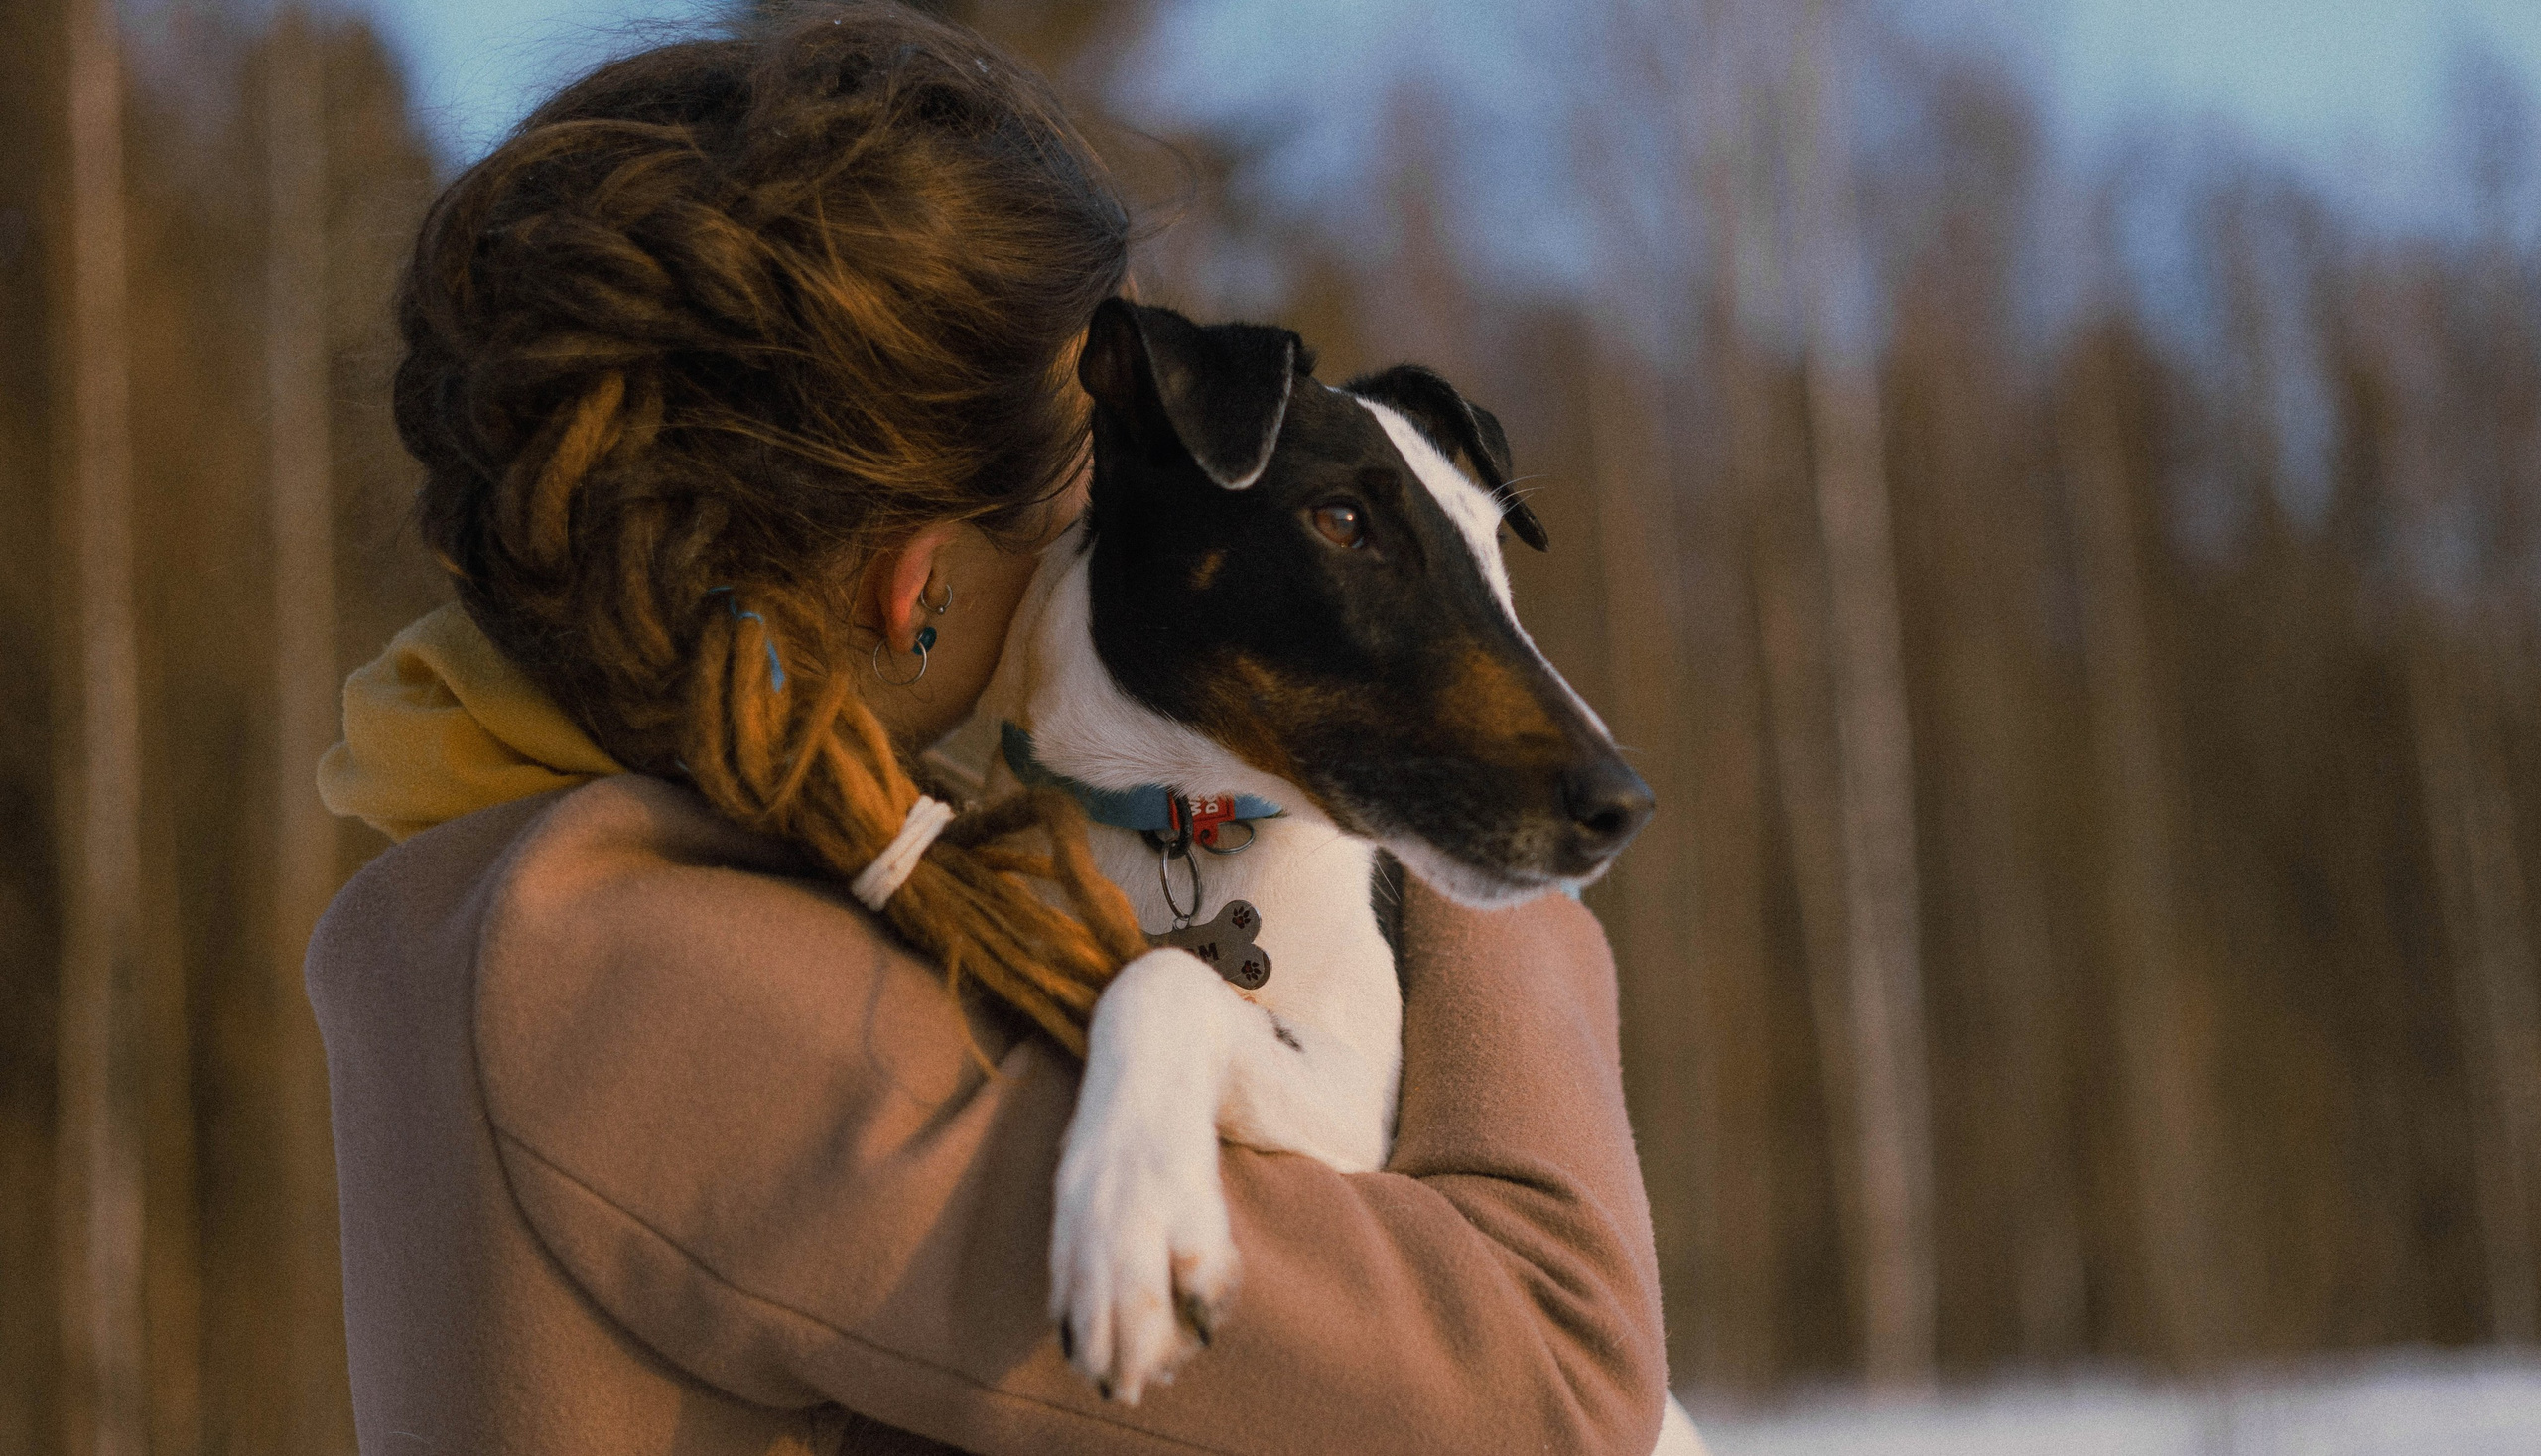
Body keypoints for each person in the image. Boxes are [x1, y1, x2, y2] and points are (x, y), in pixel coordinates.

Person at [307, 4, 1669, 1452]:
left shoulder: (494, 893)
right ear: (921, 590)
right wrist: (1471, 805)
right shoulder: (643, 974)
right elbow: (1549, 1395)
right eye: (1085, 493)